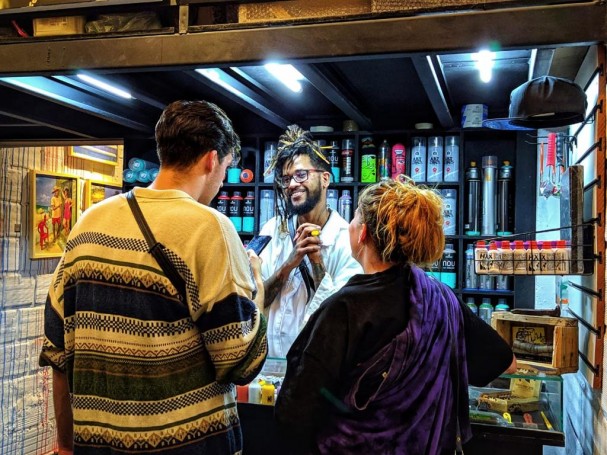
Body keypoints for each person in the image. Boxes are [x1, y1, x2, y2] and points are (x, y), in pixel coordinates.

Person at [39, 100, 268, 455]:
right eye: (226, 169)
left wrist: (66, 445)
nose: (222, 181)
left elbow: (57, 349)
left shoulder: (89, 222)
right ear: (212, 160)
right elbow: (240, 361)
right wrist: (257, 285)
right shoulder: (209, 227)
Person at [275, 178, 517, 455]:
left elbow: (294, 412)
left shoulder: (344, 309)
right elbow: (505, 363)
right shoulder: (441, 299)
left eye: (354, 217)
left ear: (363, 233)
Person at [258, 125, 363, 358]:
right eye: (286, 179)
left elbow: (344, 315)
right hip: (268, 365)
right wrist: (289, 264)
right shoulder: (273, 230)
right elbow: (256, 299)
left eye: (301, 175)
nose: (292, 184)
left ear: (325, 179)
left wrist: (316, 262)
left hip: (317, 366)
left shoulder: (346, 239)